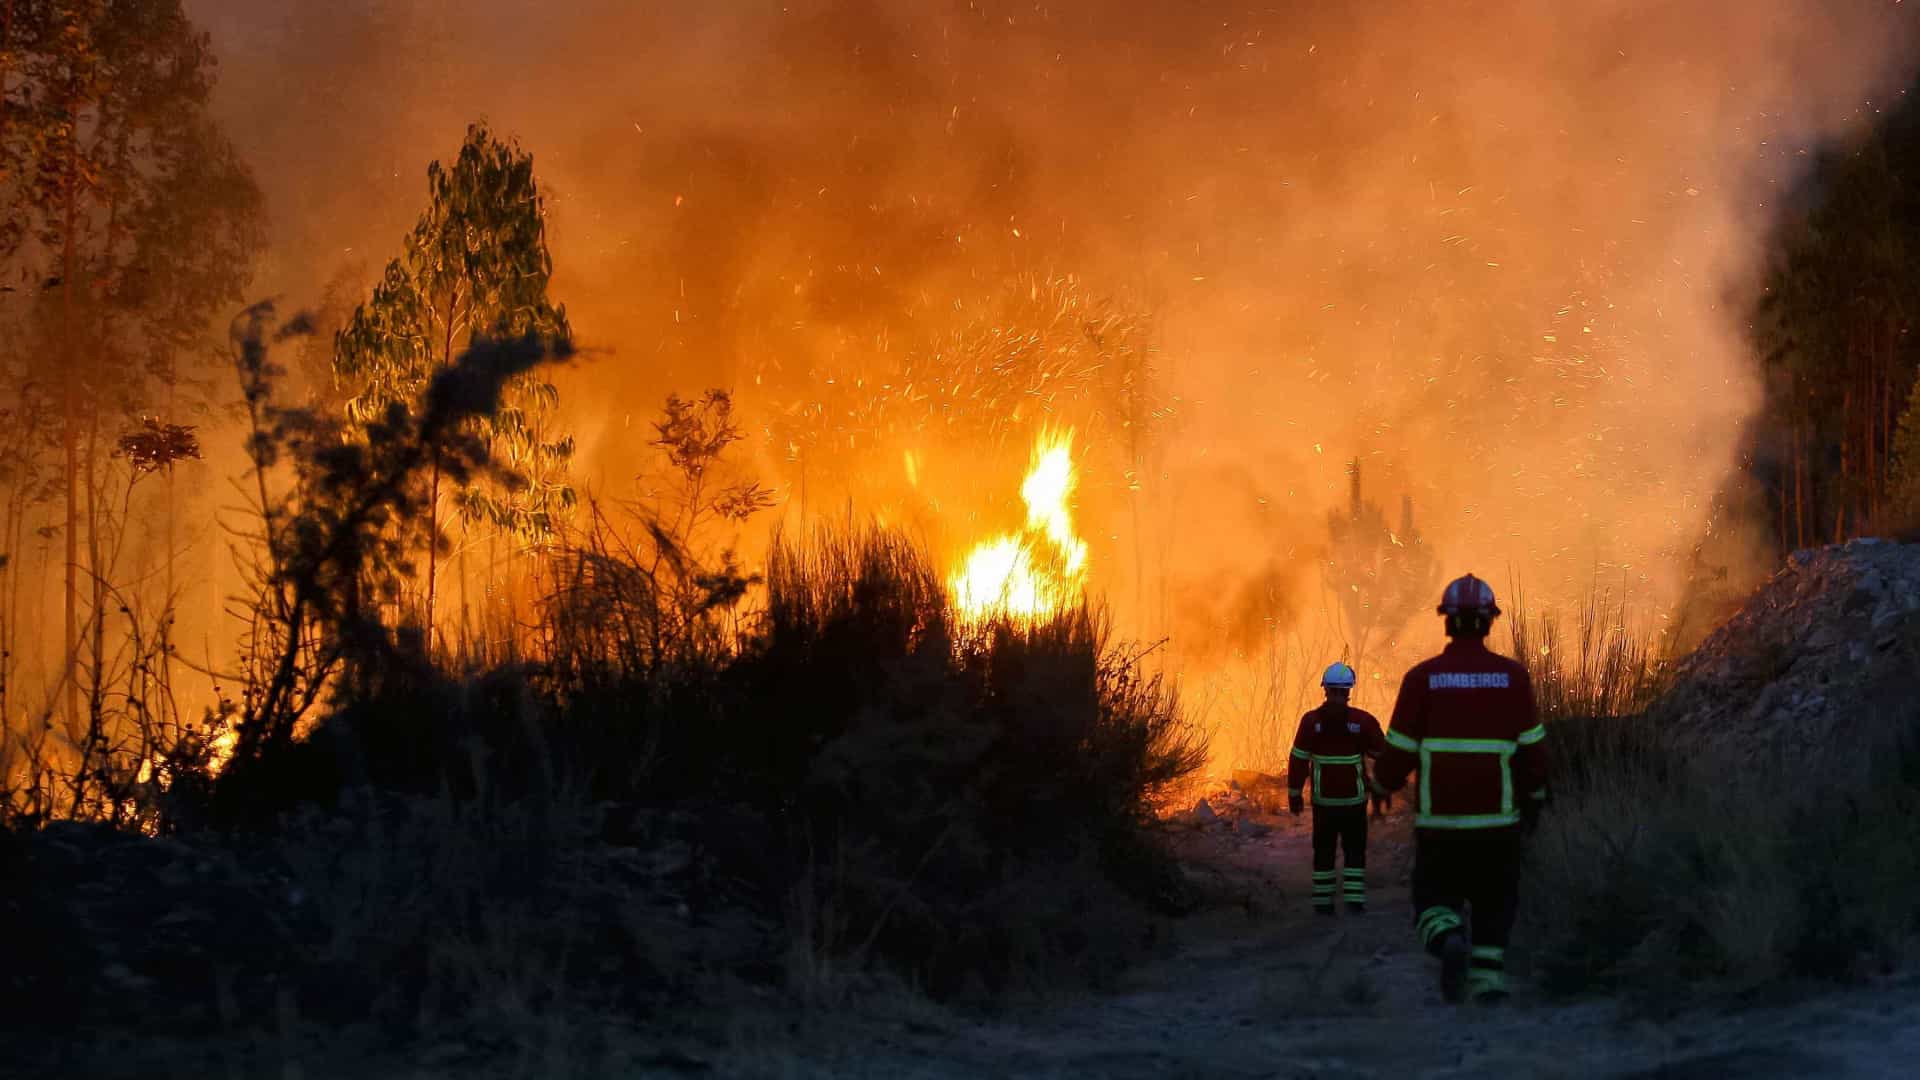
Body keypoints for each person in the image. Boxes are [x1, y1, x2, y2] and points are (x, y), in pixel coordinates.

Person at [1374, 573, 1549, 1004]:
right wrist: (1536, 802)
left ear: (1446, 622)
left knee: (1433, 897)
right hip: (1498, 824)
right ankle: (1488, 983)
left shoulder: (1422, 679)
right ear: (1489, 622)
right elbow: (1533, 753)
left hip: (1441, 825)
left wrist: (1381, 783)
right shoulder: (1513, 678)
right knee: (1495, 901)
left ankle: (1448, 937)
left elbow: (1398, 749)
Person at [1288, 662, 1387, 915]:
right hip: (1354, 803)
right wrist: (1380, 788)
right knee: (1354, 850)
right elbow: (1383, 755)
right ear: (1349, 690)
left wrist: (1295, 793)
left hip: (1324, 803)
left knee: (1323, 851)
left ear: (1326, 689)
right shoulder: (1363, 721)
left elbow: (1298, 759)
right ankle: (1354, 902)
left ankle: (1323, 904)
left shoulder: (1310, 722)